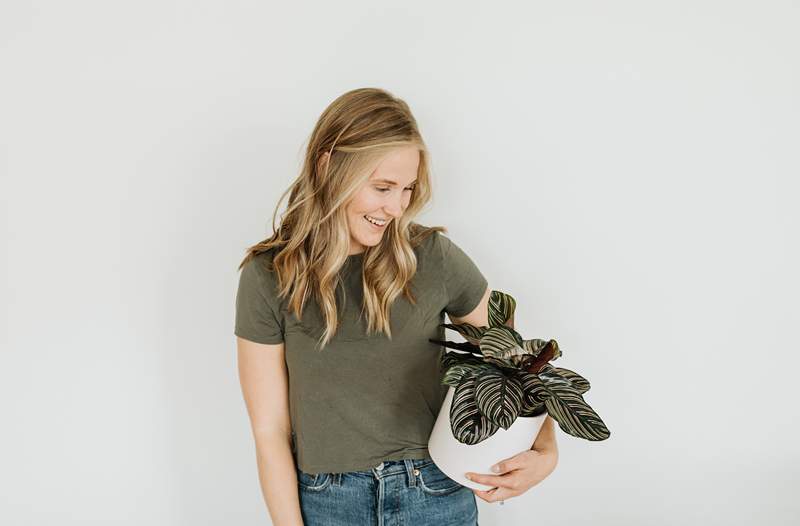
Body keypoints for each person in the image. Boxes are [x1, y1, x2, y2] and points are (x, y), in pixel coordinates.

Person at [234, 88, 524, 525]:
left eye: (406, 189)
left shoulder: (433, 256)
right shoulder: (269, 275)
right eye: (382, 187)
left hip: (435, 492)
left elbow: (521, 367)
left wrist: (544, 454)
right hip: (328, 502)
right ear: (328, 166)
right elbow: (269, 432)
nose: (396, 207)